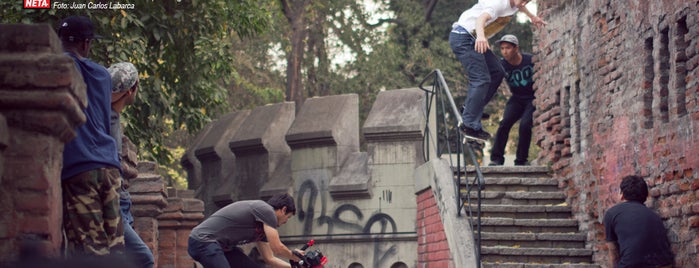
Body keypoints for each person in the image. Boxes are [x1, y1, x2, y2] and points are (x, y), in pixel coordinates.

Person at [58, 15, 124, 256]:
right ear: (86, 44)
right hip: (109, 166)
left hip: (79, 168)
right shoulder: (102, 75)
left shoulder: (59, 66)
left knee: (89, 251)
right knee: (116, 248)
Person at [450, 0, 545, 140]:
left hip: (473, 37)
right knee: (481, 78)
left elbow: (520, 6)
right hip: (464, 38)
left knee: (497, 72)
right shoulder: (498, 4)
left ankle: (471, 108)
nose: (523, 2)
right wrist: (482, 37)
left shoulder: (516, 4)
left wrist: (532, 16)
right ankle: (469, 125)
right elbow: (481, 19)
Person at [107, 62, 155, 268]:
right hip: (112, 202)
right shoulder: (105, 118)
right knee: (143, 259)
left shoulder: (113, 118)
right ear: (132, 89)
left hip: (122, 201)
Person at [188, 193, 304, 268]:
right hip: (203, 241)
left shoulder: (262, 227)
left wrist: (297, 266)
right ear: (283, 210)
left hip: (223, 248)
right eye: (287, 217)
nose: (285, 222)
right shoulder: (266, 210)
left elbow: (269, 258)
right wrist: (293, 256)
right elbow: (277, 248)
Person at [603, 175, 674, 268]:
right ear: (645, 196)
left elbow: (613, 253)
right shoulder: (654, 215)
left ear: (622, 194)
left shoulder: (612, 213)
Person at [489, 34, 535, 166]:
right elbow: (493, 80)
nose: (504, 51)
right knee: (504, 123)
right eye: (502, 48)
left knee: (525, 125)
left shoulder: (530, 59)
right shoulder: (502, 65)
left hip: (532, 98)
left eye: (508, 48)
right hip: (517, 98)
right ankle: (496, 159)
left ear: (516, 48)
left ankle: (521, 160)